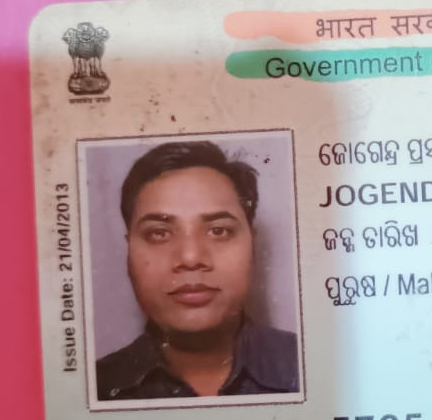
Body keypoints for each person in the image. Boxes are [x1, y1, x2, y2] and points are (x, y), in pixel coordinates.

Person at [95, 140, 300, 401]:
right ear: (129, 251)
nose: (190, 258)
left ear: (252, 245)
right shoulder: (92, 388)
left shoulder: (318, 365)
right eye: (158, 233)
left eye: (219, 231)